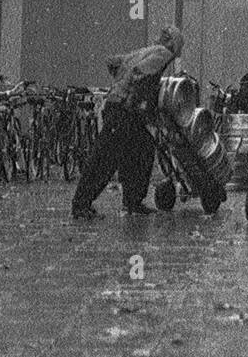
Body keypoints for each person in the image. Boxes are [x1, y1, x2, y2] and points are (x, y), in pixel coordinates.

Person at [72, 25, 184, 219]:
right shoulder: (163, 54)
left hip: (119, 106)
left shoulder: (144, 50)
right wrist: (134, 97)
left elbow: (113, 62)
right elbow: (140, 74)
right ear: (174, 46)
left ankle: (133, 201)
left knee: (142, 147)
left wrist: (120, 83)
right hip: (124, 109)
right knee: (105, 158)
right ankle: (82, 204)